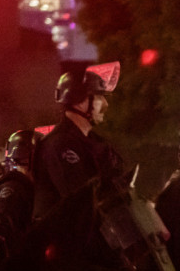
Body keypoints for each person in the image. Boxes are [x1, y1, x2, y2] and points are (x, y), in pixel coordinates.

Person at [32, 61, 132, 219]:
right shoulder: (59, 145)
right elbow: (81, 202)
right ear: (79, 100)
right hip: (65, 233)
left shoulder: (94, 142)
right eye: (99, 97)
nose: (105, 104)